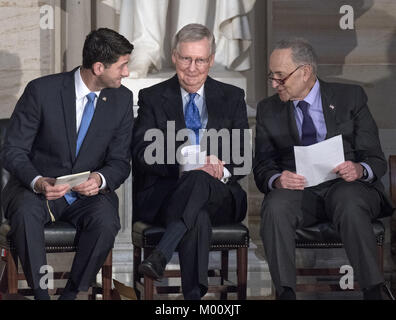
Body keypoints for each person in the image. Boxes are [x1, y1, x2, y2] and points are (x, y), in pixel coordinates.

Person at [253, 38, 394, 300]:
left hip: (347, 187)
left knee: (348, 199)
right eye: (271, 76)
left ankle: (374, 292)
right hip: (299, 193)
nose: (274, 84)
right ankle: (285, 293)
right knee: (275, 206)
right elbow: (263, 165)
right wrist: (277, 179)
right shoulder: (268, 109)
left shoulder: (349, 98)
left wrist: (359, 170)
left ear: (305, 72)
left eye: (280, 77)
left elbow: (375, 158)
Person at [1, 28, 134, 300]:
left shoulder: (121, 100)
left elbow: (120, 161)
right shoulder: (42, 91)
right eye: (122, 66)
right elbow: (12, 150)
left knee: (106, 221)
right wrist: (37, 181)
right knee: (26, 215)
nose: (127, 73)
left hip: (86, 196)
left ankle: (72, 294)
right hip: (35, 191)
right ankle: (41, 295)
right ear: (99, 67)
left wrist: (99, 179)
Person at [132, 23, 249, 300]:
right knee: (197, 209)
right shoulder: (152, 97)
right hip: (167, 195)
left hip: (221, 194)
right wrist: (184, 163)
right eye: (186, 58)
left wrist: (219, 168)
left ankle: (162, 252)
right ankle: (193, 298)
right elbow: (140, 152)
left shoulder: (232, 97)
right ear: (174, 56)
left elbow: (243, 159)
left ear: (210, 60)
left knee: (201, 181)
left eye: (200, 60)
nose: (192, 68)